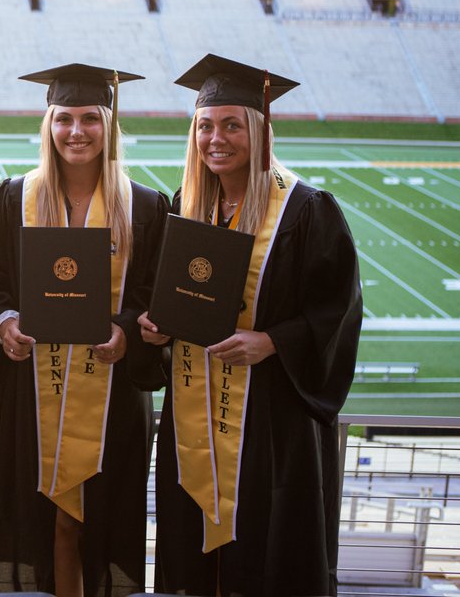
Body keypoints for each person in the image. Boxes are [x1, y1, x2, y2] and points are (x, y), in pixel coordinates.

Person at [139, 54, 362, 596]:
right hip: (192, 413)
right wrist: (155, 329)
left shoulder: (306, 211)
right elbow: (160, 299)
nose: (216, 139)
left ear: (259, 131)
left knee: (264, 556)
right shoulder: (186, 208)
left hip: (271, 424)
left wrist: (272, 342)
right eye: (205, 126)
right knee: (193, 555)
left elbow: (339, 311)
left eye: (232, 125)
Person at [0, 64, 169, 597]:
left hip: (111, 398)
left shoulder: (148, 207)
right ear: (48, 124)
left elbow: (156, 296)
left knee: (96, 522)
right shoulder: (13, 199)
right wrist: (4, 322)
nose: (77, 131)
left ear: (109, 127)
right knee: (41, 522)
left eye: (90, 118)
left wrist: (129, 332)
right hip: (29, 396)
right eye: (64, 118)